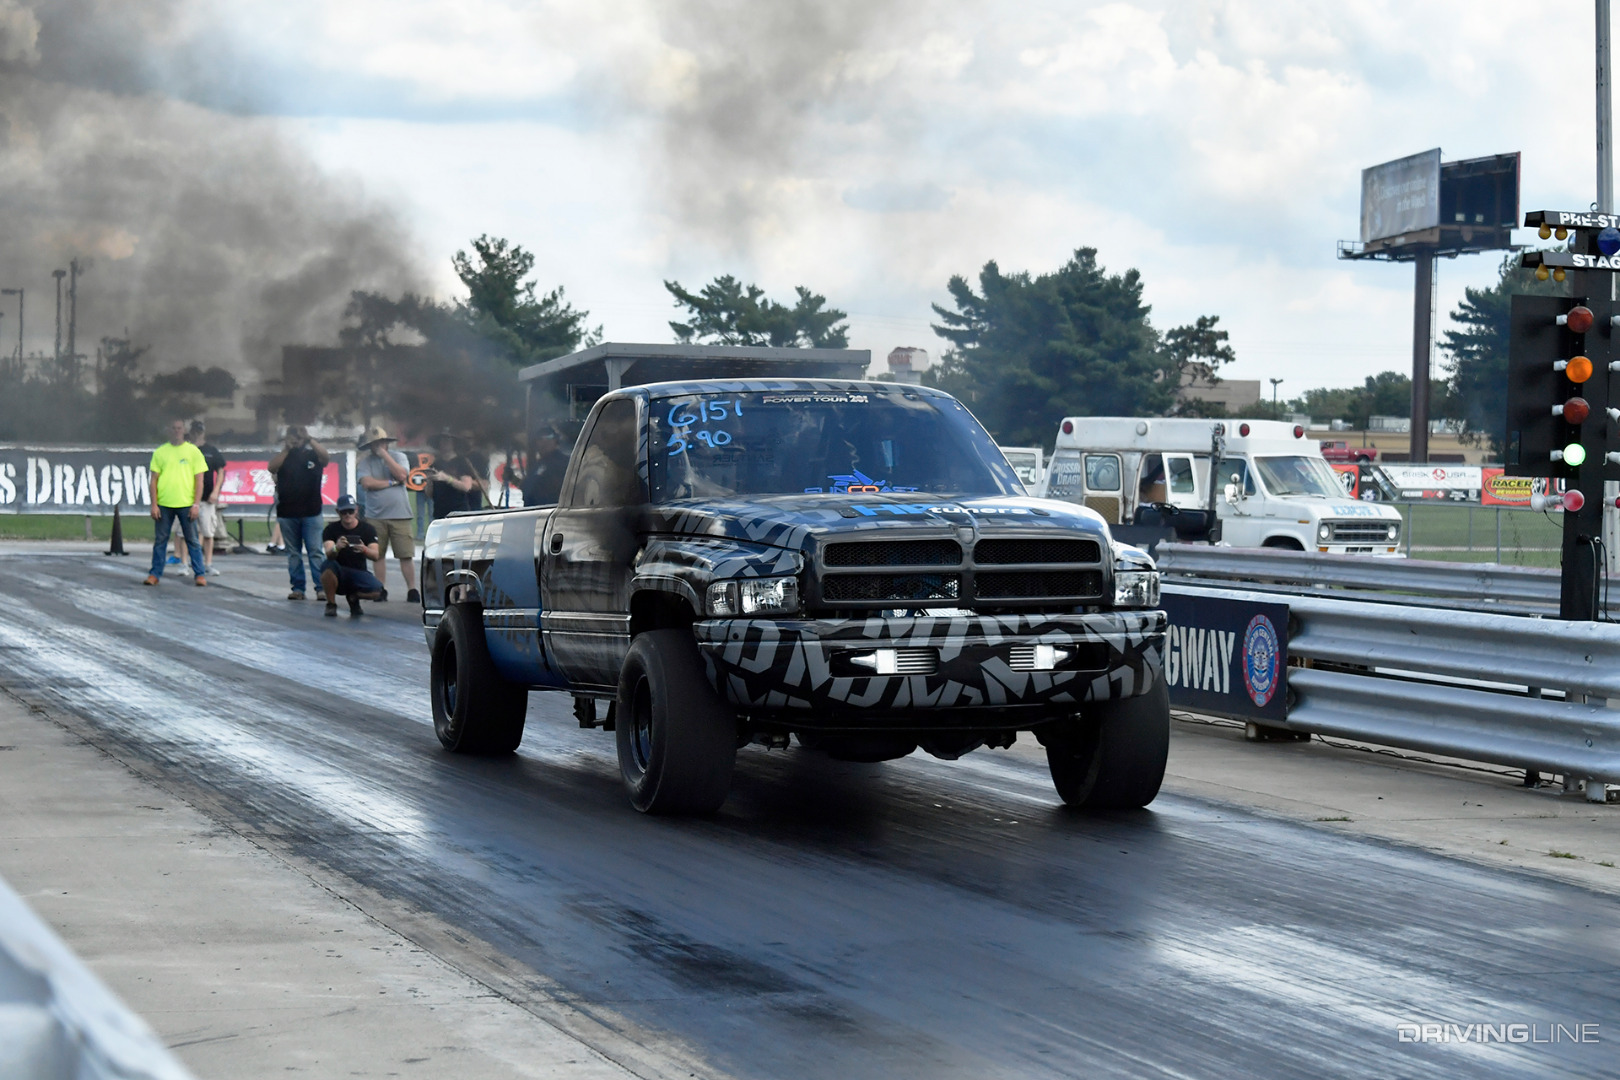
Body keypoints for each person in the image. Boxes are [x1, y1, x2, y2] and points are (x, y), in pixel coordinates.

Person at [355, 425, 420, 604]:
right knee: (378, 554)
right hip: (375, 515)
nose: (377, 447)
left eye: (380, 443)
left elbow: (401, 475)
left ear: (386, 443)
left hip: (400, 514)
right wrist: (391, 483)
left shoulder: (399, 457)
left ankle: (412, 589)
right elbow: (367, 483)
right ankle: (380, 588)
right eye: (374, 444)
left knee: (405, 554)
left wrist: (385, 456)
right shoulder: (365, 462)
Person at [143, 418, 208, 587]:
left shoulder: (193, 452)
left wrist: (196, 504)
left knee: (192, 540)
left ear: (184, 431)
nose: (177, 431)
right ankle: (155, 574)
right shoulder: (160, 452)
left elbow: (199, 480)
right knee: (160, 540)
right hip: (164, 504)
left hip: (186, 504)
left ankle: (199, 574)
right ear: (169, 431)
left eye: (179, 428)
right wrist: (154, 504)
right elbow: (153, 480)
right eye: (174, 428)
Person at [269, 424, 330, 600]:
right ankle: (298, 588)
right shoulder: (284, 457)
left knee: (315, 551)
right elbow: (271, 467)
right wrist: (287, 448)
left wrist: (310, 438)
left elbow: (326, 458)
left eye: (298, 437)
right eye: (292, 436)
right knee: (293, 553)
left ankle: (321, 588)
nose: (296, 439)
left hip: (311, 511)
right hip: (288, 512)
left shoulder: (312, 455)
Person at [319, 495, 383, 618]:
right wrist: (336, 547)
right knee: (327, 567)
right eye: (344, 512)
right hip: (338, 570)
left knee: (378, 591)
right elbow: (328, 553)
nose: (347, 515)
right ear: (338, 512)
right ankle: (331, 604)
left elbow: (375, 555)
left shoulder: (367, 529)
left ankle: (353, 597)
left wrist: (364, 549)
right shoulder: (331, 529)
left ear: (356, 510)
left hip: (358, 571)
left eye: (350, 511)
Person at [187, 420, 228, 575]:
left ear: (203, 432)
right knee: (187, 533)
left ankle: (208, 563)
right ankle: (187, 562)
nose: (196, 434)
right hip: (189, 498)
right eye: (194, 431)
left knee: (208, 532)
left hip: (207, 498)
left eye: (199, 431)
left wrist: (216, 491)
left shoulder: (211, 451)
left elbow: (221, 471)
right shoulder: (187, 450)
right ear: (190, 433)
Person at [428, 430, 484, 520]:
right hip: (439, 513)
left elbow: (466, 486)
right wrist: (429, 481)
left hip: (458, 512)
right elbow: (430, 494)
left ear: (453, 444)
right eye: (442, 440)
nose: (444, 443)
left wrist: (447, 478)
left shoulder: (462, 462)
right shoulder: (435, 465)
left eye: (448, 440)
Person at [520, 425, 571, 506]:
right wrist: (512, 479)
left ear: (555, 441)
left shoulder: (565, 462)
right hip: (533, 513)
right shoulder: (537, 465)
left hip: (552, 512)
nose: (544, 443)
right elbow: (527, 489)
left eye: (548, 439)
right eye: (540, 439)